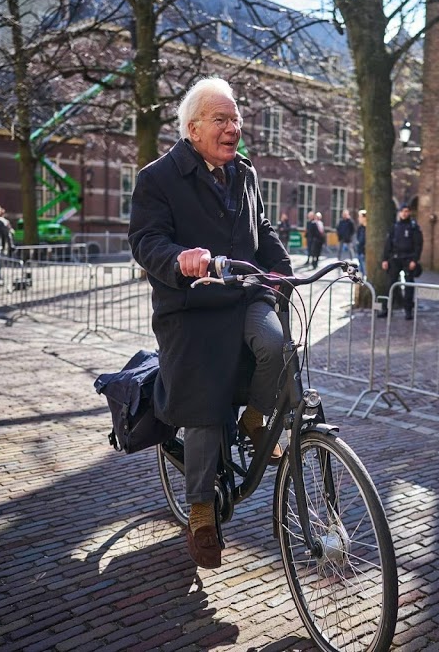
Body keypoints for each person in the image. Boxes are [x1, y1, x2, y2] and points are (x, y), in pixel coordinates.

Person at [128, 77, 292, 570]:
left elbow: (260, 231)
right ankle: (201, 508)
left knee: (276, 344)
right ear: (193, 127)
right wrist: (183, 259)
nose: (233, 128)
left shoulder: (245, 173)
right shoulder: (157, 178)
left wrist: (284, 272)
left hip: (243, 297)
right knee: (203, 397)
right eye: (221, 120)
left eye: (236, 119)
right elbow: (146, 240)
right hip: (193, 307)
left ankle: (256, 418)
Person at [380, 203, 423, 320]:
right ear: (399, 213)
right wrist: (385, 259)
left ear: (409, 213)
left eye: (406, 211)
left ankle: (408, 310)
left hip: (408, 259)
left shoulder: (413, 227)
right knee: (390, 284)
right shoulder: (395, 227)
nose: (404, 213)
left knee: (409, 285)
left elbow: (418, 245)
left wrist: (415, 260)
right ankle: (386, 308)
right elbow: (388, 244)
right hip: (394, 258)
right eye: (402, 211)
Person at [355, 209, 367, 275]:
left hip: (364, 253)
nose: (358, 218)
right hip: (359, 252)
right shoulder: (360, 228)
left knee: (365, 272)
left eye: (360, 217)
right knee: (361, 272)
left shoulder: (368, 228)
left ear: (364, 218)